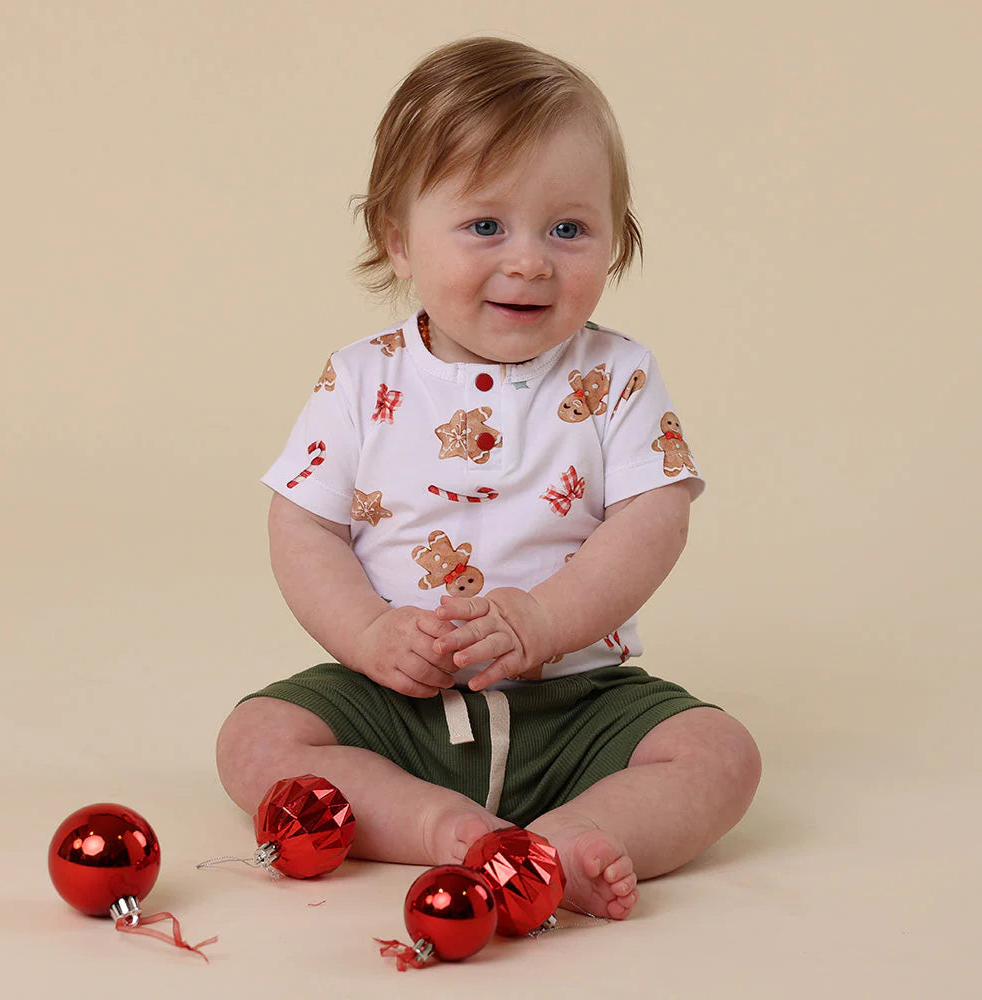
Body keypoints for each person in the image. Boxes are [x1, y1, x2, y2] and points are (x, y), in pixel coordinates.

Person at [216, 36, 760, 921]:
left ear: (616, 239)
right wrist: (369, 635)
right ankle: (438, 825)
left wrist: (546, 620)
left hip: (576, 697)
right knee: (257, 739)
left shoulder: (617, 375)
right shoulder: (360, 379)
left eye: (569, 229)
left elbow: (653, 517)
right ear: (398, 239)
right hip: (399, 698)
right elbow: (303, 524)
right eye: (484, 226)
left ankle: (572, 843)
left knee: (720, 752)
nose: (530, 260)